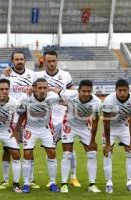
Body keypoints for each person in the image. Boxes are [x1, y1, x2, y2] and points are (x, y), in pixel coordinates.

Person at [35, 50, 81, 188]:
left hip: (66, 118)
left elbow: (74, 92)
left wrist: (63, 94)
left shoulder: (65, 75)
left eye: (54, 61)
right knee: (50, 149)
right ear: (43, 61)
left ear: (57, 60)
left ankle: (73, 177)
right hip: (48, 119)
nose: (51, 63)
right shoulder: (37, 76)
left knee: (70, 149)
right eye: (48, 61)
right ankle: (52, 179)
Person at [0, 50, 38, 189]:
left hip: (29, 117)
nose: (19, 61)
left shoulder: (33, 75)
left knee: (29, 149)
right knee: (8, 149)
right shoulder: (7, 75)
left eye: (21, 59)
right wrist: (3, 74)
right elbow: (0, 93)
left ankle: (30, 179)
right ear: (12, 61)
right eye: (17, 59)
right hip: (11, 117)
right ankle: (5, 180)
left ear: (25, 60)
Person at [15, 78, 61, 193]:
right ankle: (26, 183)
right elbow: (18, 110)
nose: (42, 90)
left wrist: (52, 89)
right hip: (30, 128)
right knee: (27, 154)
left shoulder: (53, 97)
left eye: (45, 88)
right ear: (34, 88)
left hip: (46, 129)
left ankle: (53, 182)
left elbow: (66, 98)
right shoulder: (26, 98)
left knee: (52, 153)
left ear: (48, 88)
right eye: (39, 88)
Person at [59, 80, 102, 193]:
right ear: (78, 91)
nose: (86, 93)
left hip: (84, 127)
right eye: (84, 91)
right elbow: (58, 91)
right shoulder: (69, 94)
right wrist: (48, 89)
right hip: (69, 125)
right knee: (67, 154)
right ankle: (64, 184)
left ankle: (92, 184)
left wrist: (93, 140)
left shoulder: (97, 102)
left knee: (92, 154)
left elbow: (96, 122)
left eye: (89, 91)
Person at [102, 79, 131, 193]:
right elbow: (106, 124)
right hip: (110, 128)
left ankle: (130, 183)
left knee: (130, 153)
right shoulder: (108, 100)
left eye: (125, 90)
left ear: (129, 90)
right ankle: (109, 183)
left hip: (124, 127)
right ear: (115, 90)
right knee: (107, 153)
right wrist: (108, 144)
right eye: (120, 90)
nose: (122, 93)